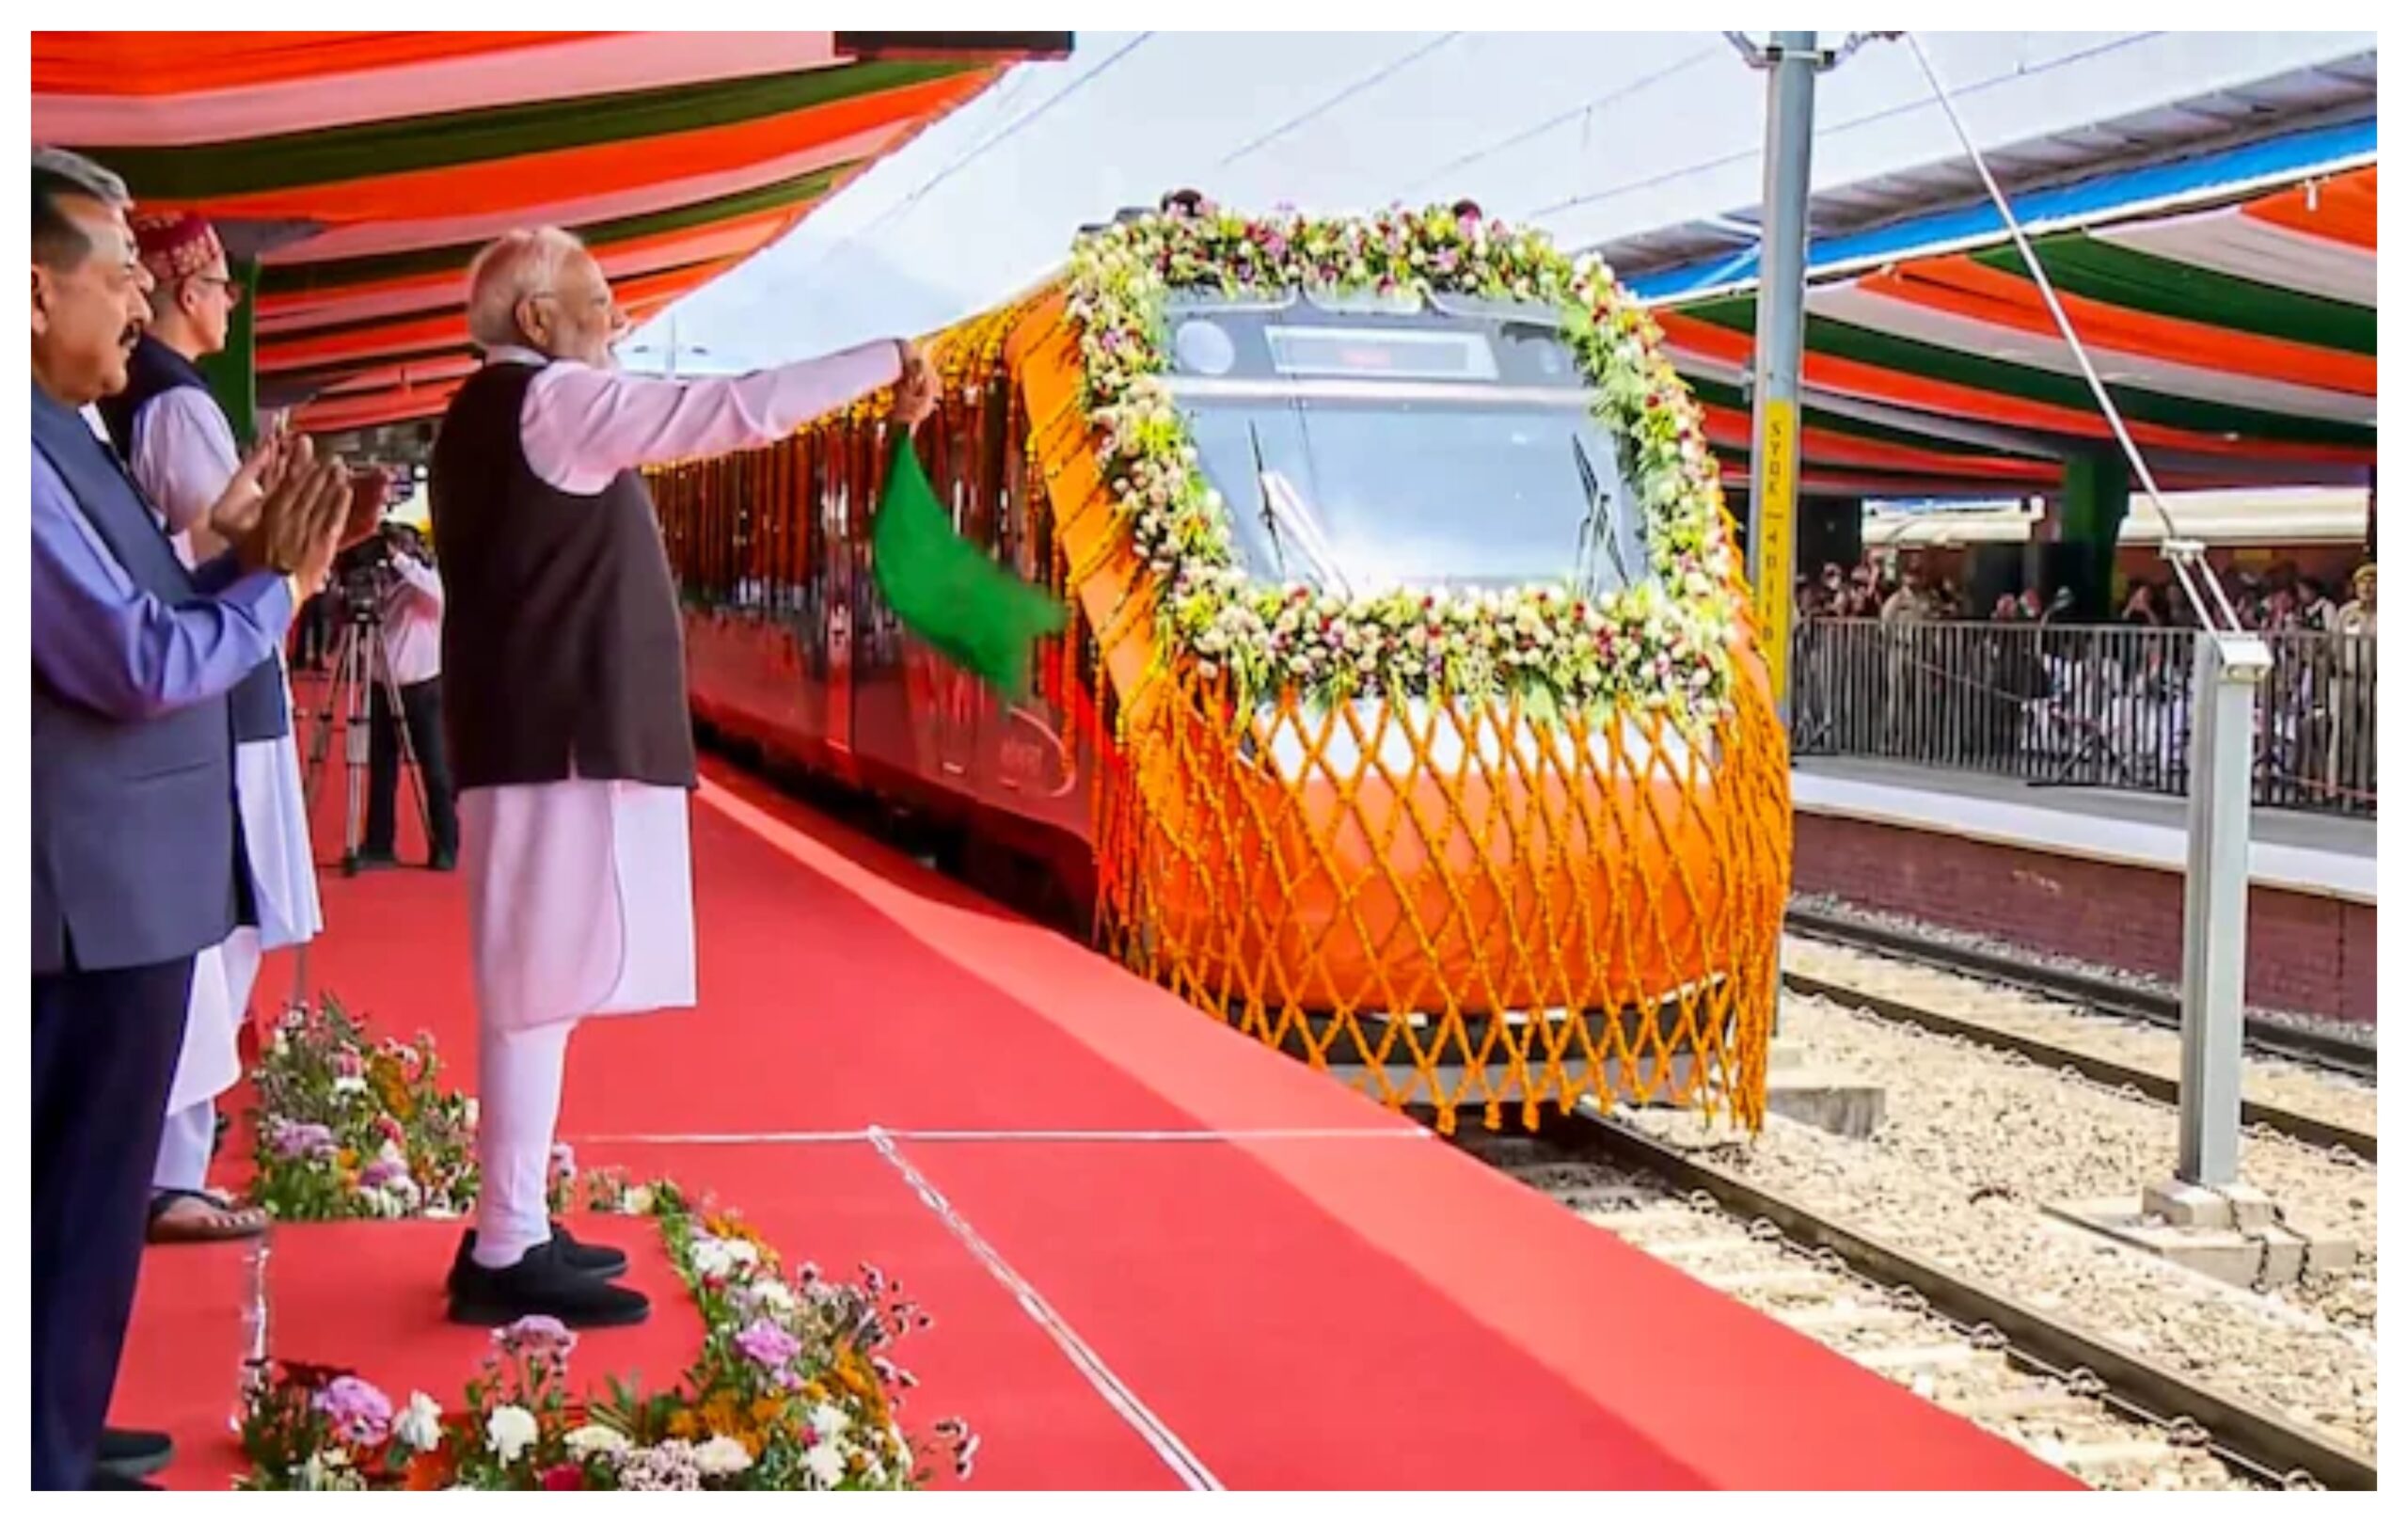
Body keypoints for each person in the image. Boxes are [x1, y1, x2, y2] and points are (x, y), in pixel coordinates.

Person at [429, 226, 939, 1327]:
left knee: (541, 984)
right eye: (596, 300)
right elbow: (732, 410)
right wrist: (888, 355)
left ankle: (516, 1221)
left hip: (535, 733)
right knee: (534, 990)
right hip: (556, 738)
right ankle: (505, 1244)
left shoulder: (489, 411)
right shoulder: (553, 401)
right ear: (535, 319)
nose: (615, 320)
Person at [33, 146, 355, 1489]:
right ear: (32, 291)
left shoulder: (68, 430)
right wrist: (278, 586)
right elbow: (132, 659)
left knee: (88, 1199)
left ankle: (52, 1418)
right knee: (66, 1192)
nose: (140, 307)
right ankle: (38, 1454)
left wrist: (228, 545)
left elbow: (144, 605)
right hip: (83, 890)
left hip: (122, 879)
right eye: (120, 277)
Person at [95, 210, 326, 1246]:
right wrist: (288, 531)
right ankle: (169, 1165)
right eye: (223, 287)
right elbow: (216, 550)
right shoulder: (177, 403)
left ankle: (167, 1153)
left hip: (204, 681)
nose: (229, 304)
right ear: (187, 290)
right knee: (219, 929)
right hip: (217, 685)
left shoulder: (143, 399)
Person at [358, 521, 460, 869]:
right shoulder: (383, 584)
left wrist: (400, 560)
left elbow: (438, 596)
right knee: (381, 771)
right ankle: (379, 843)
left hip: (422, 689)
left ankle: (445, 845)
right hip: (382, 685)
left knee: (436, 770)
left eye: (400, 544)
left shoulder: (427, 584)